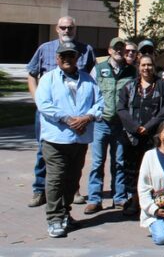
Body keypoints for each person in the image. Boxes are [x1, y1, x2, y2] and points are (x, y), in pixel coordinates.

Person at [35, 41, 103, 237]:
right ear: (57, 59)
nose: (67, 59)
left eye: (71, 56)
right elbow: (44, 105)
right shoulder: (48, 79)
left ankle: (65, 213)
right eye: (63, 56)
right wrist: (67, 118)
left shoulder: (89, 80)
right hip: (56, 139)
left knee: (73, 180)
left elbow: (99, 103)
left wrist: (87, 117)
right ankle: (54, 218)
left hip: (80, 140)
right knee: (56, 179)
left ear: (77, 58)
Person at [27, 15, 96, 208]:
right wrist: (38, 100)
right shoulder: (45, 49)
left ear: (75, 29)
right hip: (49, 113)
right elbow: (31, 75)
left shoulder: (86, 50)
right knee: (44, 151)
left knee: (74, 153)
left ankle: (72, 190)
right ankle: (39, 190)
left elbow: (91, 79)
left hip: (77, 115)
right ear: (57, 29)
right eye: (63, 28)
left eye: (70, 28)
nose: (67, 31)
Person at [85, 37, 137, 215]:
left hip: (120, 124)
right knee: (97, 162)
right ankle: (94, 199)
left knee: (119, 162)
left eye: (122, 48)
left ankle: (119, 197)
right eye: (116, 48)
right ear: (109, 50)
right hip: (101, 122)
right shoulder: (99, 70)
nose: (119, 51)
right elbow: (90, 93)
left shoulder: (131, 71)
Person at [117, 54, 164, 215]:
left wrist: (148, 127)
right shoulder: (129, 86)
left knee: (159, 172)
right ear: (138, 67)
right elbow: (121, 108)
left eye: (149, 65)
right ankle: (136, 202)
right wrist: (135, 127)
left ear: (154, 66)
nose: (146, 68)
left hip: (155, 138)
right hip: (132, 138)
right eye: (143, 65)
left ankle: (161, 206)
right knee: (134, 171)